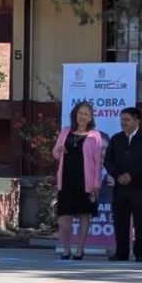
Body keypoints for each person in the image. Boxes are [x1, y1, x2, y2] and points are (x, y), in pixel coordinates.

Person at [104, 106, 142, 262]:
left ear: (137, 121)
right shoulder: (116, 139)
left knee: (140, 221)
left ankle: (140, 253)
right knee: (120, 221)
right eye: (122, 119)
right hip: (120, 187)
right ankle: (121, 252)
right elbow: (108, 161)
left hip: (139, 187)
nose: (123, 123)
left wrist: (131, 175)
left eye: (127, 119)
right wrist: (118, 175)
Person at [52, 102, 103, 260]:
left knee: (83, 215)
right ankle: (66, 249)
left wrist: (96, 183)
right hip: (66, 179)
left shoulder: (95, 136)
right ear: (75, 114)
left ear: (90, 118)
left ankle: (80, 249)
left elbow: (97, 162)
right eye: (80, 113)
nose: (82, 116)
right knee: (64, 217)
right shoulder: (66, 131)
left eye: (86, 114)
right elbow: (55, 154)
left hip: (85, 181)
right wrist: (60, 149)